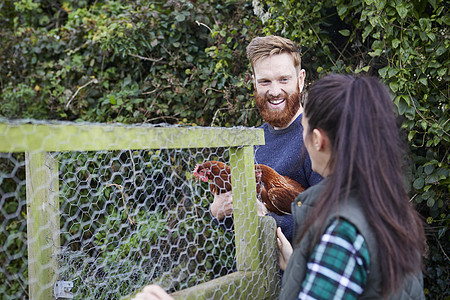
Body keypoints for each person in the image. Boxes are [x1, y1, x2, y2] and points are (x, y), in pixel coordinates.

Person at [277, 74, 426, 299]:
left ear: (318, 139)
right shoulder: (388, 204)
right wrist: (297, 267)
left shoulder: (341, 231)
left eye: (304, 129)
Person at [210, 35, 322, 243]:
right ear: (254, 83)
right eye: (265, 81)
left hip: (295, 273)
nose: (274, 91)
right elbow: (237, 221)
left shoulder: (318, 138)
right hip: (252, 271)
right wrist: (218, 211)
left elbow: (328, 220)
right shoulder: (250, 142)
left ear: (301, 79)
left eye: (284, 79)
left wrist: (266, 220)